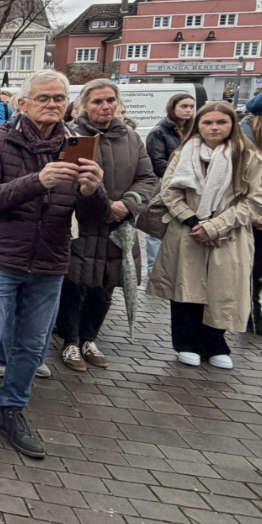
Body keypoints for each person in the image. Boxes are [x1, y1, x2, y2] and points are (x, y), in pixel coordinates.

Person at [0, 70, 106, 467]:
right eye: (44, 98)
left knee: (32, 347)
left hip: (50, 259)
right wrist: (38, 180)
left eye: (59, 98)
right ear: (23, 103)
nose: (52, 105)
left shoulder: (78, 146)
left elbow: (97, 217)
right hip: (1, 257)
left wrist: (92, 191)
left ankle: (11, 412)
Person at [149, 102, 262, 368]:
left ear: (232, 125)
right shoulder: (183, 154)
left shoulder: (249, 157)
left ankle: (215, 343)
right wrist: (195, 222)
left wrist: (215, 226)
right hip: (186, 231)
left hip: (230, 234)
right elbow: (168, 191)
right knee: (185, 288)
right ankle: (185, 343)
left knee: (222, 289)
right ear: (198, 125)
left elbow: (255, 201)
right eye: (207, 122)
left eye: (221, 122)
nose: (214, 127)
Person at [55, 81, 158, 372]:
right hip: (83, 224)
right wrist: (102, 205)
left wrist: (128, 203)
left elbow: (147, 177)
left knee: (106, 285)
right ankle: (70, 340)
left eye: (111, 100)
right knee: (75, 284)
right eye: (98, 101)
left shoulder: (132, 138)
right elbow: (68, 179)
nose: (105, 106)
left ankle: (90, 338)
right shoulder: (73, 135)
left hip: (118, 228)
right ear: (83, 105)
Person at [145, 92, 196, 273]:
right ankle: (154, 266)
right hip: (165, 182)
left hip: (190, 185)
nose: (188, 110)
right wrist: (179, 178)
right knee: (158, 223)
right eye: (184, 106)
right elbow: (157, 162)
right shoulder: (159, 131)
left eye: (191, 106)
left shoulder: (194, 129)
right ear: (172, 108)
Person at [241, 91, 262, 335]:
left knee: (257, 269)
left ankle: (253, 315)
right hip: (242, 219)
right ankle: (249, 315)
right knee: (245, 270)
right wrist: (253, 215)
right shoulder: (242, 145)